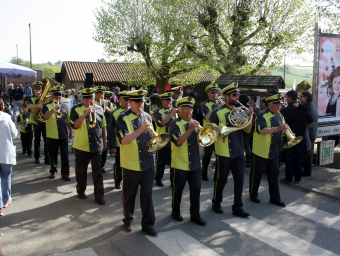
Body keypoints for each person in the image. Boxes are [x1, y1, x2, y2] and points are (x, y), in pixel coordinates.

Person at [116, 90, 157, 236]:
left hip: (148, 161)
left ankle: (148, 224)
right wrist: (140, 129)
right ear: (130, 102)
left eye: (142, 101)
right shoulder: (122, 118)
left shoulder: (147, 116)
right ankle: (128, 219)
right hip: (131, 163)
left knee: (147, 194)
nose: (141, 104)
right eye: (137, 102)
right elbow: (124, 140)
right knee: (129, 194)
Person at [210, 82, 253, 218]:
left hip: (239, 151)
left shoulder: (241, 111)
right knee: (221, 179)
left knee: (239, 180)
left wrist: (249, 117)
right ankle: (216, 202)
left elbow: (247, 130)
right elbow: (212, 133)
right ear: (226, 96)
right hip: (223, 151)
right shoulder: (218, 112)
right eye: (234, 95)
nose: (237, 98)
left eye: (238, 95)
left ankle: (238, 207)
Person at [169, 96, 206, 226]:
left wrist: (210, 137)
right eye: (185, 110)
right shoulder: (174, 124)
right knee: (177, 191)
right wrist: (190, 130)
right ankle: (175, 211)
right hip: (180, 163)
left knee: (196, 190)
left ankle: (195, 215)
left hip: (195, 163)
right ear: (179, 111)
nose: (188, 112)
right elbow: (178, 142)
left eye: (190, 110)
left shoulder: (196, 123)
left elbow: (204, 139)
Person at [249, 94, 287, 207]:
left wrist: (287, 133)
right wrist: (278, 129)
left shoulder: (280, 116)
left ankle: (275, 198)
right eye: (276, 105)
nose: (279, 107)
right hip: (261, 150)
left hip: (274, 151)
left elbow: (282, 129)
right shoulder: (262, 115)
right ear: (270, 104)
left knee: (274, 175)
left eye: (280, 105)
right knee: (257, 174)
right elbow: (261, 130)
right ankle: (253, 194)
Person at [70, 88, 107, 205]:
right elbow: (75, 125)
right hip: (81, 146)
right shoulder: (75, 109)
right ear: (82, 98)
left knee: (98, 172)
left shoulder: (100, 108)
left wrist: (105, 141)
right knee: (81, 171)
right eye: (85, 98)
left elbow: (103, 126)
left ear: (93, 98)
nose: (88, 101)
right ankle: (81, 190)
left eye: (90, 98)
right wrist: (85, 114)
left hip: (97, 146)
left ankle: (99, 196)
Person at [280, 90, 314, 185]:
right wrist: (303, 130)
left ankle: (289, 178)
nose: (286, 99)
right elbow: (311, 123)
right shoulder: (303, 109)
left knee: (288, 157)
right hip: (300, 137)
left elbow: (281, 124)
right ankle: (298, 178)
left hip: (289, 137)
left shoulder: (285, 110)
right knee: (298, 157)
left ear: (290, 98)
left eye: (287, 97)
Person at [42, 86, 73, 180]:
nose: (58, 96)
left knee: (65, 155)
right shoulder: (46, 105)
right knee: (52, 155)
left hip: (63, 134)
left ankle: (65, 174)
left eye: (60, 94)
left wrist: (71, 131)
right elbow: (45, 117)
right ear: (52, 95)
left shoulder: (65, 106)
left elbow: (68, 121)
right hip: (52, 134)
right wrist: (53, 109)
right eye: (56, 95)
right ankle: (53, 170)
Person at [154, 92, 177, 187]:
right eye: (167, 100)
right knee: (161, 161)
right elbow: (161, 123)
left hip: (173, 140)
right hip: (162, 140)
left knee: (173, 162)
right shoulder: (159, 111)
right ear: (162, 101)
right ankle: (158, 178)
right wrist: (171, 115)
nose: (169, 102)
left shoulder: (174, 111)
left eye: (170, 100)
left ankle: (173, 180)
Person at [201, 83, 223, 181]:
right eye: (212, 92)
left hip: (219, 132)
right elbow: (207, 117)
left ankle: (216, 174)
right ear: (208, 94)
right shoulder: (205, 104)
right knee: (208, 154)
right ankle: (204, 173)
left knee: (218, 154)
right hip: (208, 132)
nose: (215, 94)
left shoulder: (220, 103)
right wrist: (217, 108)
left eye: (216, 92)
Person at [108, 91, 130, 189]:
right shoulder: (115, 113)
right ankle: (118, 181)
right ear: (120, 99)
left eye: (129, 100)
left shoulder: (133, 112)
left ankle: (128, 181)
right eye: (125, 99)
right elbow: (110, 131)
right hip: (119, 143)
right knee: (119, 164)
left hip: (131, 143)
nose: (128, 102)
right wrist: (112, 146)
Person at [0, 108, 18, 216]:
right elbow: (14, 134)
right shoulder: (7, 118)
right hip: (6, 153)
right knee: (6, 176)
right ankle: (6, 199)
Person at [94, 86, 116, 173]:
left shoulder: (108, 102)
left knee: (104, 148)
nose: (101, 96)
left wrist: (108, 109)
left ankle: (102, 165)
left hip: (106, 127)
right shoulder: (92, 102)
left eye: (102, 94)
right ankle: (96, 165)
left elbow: (114, 114)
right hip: (96, 127)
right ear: (95, 95)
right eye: (99, 94)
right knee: (97, 148)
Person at [26, 81, 49, 165]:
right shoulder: (30, 97)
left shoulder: (45, 98)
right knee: (37, 140)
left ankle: (47, 157)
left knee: (46, 140)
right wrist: (37, 106)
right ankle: (37, 157)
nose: (38, 90)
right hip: (36, 121)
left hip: (44, 121)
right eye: (36, 89)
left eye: (39, 88)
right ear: (34, 89)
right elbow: (27, 106)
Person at [300, 92, 318, 176]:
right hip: (312, 133)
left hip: (309, 133)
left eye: (301, 97)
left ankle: (307, 171)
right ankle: (307, 169)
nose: (300, 99)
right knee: (308, 151)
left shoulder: (308, 107)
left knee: (307, 152)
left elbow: (311, 123)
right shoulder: (311, 105)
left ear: (306, 97)